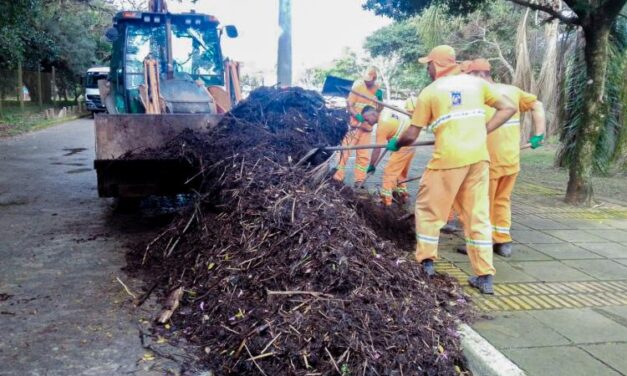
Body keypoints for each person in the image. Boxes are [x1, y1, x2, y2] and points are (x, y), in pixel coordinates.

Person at [386, 45, 517, 294]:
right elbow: (508, 108)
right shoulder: (476, 84)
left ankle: (425, 263)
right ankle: (485, 276)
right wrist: (483, 130)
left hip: (447, 161)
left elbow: (412, 133)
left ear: (436, 64)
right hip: (478, 159)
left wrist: (396, 143)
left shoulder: (431, 92)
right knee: (477, 217)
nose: (427, 68)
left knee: (428, 211)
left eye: (428, 64)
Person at [458, 58, 545, 257]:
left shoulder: (478, 95)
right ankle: (503, 241)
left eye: (468, 76)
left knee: (481, 204)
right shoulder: (512, 91)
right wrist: (539, 133)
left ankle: (482, 243)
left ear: (478, 75)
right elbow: (537, 105)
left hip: (488, 161)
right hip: (511, 160)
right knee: (502, 200)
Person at [333, 67, 384, 186]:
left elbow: (379, 110)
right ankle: (337, 177)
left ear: (374, 79)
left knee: (363, 156)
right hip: (354, 127)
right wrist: (357, 116)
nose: (366, 82)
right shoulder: (357, 88)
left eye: (369, 80)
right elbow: (349, 105)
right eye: (365, 79)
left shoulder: (377, 91)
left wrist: (380, 99)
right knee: (344, 152)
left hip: (366, 129)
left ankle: (359, 181)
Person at [368, 109, 414, 206]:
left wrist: (372, 165)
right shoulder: (385, 112)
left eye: (366, 119)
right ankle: (402, 194)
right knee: (401, 172)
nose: (367, 122)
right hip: (412, 141)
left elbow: (377, 149)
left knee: (389, 172)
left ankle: (386, 201)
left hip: (401, 144)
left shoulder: (381, 126)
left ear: (372, 113)